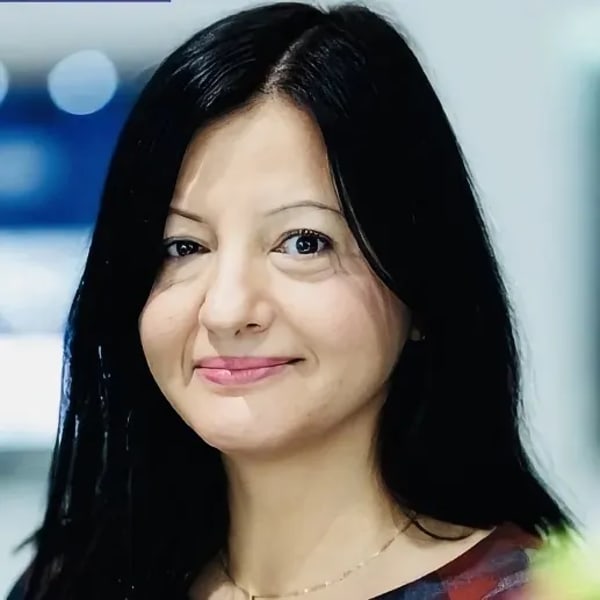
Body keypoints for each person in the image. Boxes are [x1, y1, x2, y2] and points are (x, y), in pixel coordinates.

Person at [8, 3, 575, 599]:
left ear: (421, 281)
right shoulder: (70, 584)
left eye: (303, 242)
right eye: (183, 247)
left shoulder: (524, 593)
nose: (226, 310)